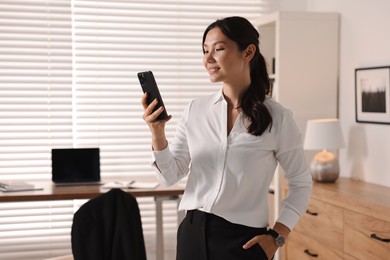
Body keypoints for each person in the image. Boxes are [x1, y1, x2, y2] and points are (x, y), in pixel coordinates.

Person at [141, 16, 312, 260]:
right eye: (204, 51)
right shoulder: (195, 110)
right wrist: (157, 132)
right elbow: (169, 175)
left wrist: (277, 236)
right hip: (191, 234)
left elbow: (301, 183)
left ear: (248, 52)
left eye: (219, 49)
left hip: (243, 242)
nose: (208, 59)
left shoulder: (278, 118)